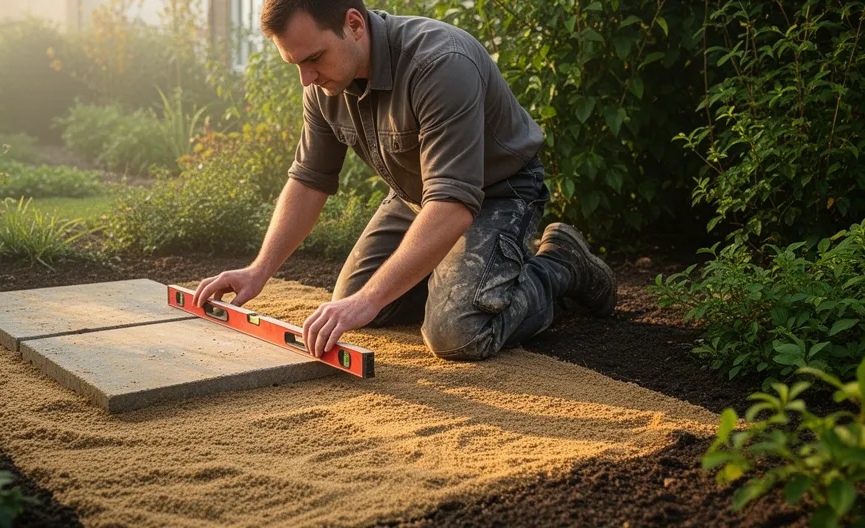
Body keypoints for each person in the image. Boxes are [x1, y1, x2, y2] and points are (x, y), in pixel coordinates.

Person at [195, 0, 616, 361]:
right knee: (358, 304)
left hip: (500, 193)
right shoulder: (324, 84)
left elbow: (452, 205)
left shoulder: (441, 63)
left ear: (354, 25)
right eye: (296, 64)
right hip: (418, 198)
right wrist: (258, 270)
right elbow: (309, 181)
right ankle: (458, 278)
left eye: (312, 59)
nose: (306, 78)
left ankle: (561, 265)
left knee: (456, 331)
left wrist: (372, 296)